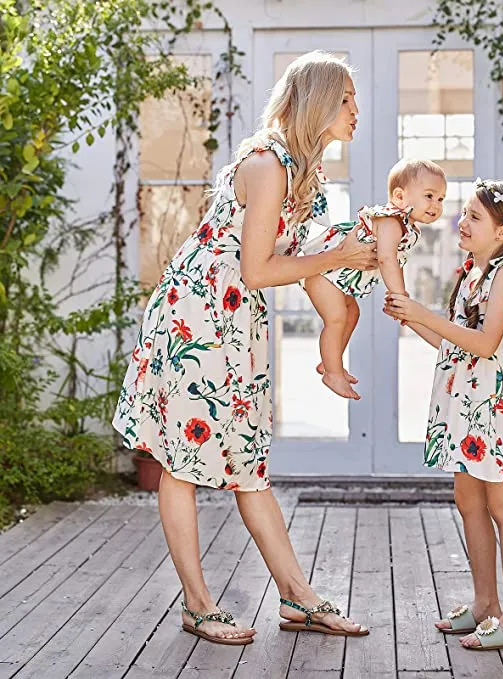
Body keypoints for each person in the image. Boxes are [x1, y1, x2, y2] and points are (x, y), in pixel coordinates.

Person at [113, 51, 374, 645]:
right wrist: (339, 257)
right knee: (181, 463)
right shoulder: (266, 164)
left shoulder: (304, 174)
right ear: (317, 102)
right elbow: (258, 268)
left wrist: (341, 323)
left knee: (248, 466)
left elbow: (303, 269)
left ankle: (299, 599)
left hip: (235, 324)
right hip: (197, 320)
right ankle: (199, 605)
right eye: (346, 99)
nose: (355, 111)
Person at [384, 178, 503, 651]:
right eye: (465, 213)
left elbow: (485, 343)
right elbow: (454, 344)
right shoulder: (469, 274)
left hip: (497, 403)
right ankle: (485, 605)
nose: (461, 222)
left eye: (474, 217)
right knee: (468, 501)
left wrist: (425, 313)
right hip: (465, 400)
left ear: (502, 231)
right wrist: (412, 318)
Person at [303, 159, 447, 399]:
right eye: (429, 196)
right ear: (399, 197)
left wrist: (400, 292)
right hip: (322, 273)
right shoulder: (390, 221)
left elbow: (395, 262)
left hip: (333, 278)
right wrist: (398, 294)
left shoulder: (408, 227)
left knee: (352, 313)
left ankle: (330, 361)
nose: (436, 205)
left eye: (441, 199)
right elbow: (386, 259)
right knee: (337, 318)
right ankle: (333, 373)